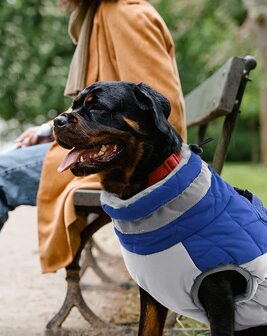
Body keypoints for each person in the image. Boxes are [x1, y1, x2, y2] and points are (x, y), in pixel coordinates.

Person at [0, 0, 186, 273]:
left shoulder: (125, 15)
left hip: (139, 164)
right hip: (106, 147)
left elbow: (160, 107)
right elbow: (95, 105)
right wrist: (47, 131)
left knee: (2, 174)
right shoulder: (98, 16)